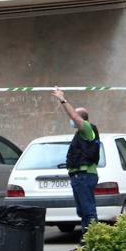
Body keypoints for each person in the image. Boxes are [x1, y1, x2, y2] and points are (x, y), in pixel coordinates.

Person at [52, 87, 101, 236]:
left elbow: (74, 116)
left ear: (81, 119)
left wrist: (62, 99)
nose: (71, 120)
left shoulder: (86, 129)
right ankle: (87, 241)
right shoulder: (81, 133)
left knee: (88, 210)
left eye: (75, 118)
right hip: (79, 176)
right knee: (83, 211)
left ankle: (93, 242)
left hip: (84, 175)